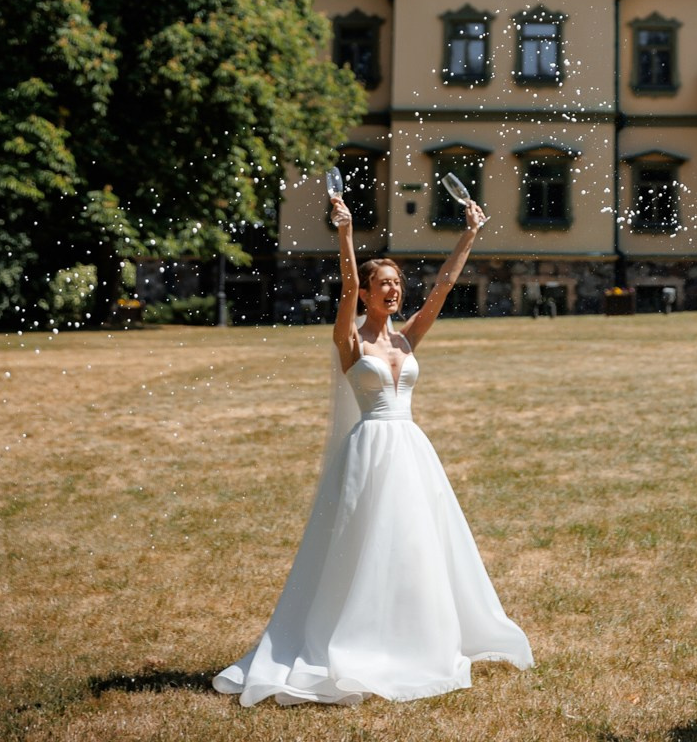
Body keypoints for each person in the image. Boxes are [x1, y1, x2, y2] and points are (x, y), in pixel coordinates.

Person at [214, 191, 533, 706]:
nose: (393, 289)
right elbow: (345, 285)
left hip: (411, 451)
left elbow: (443, 288)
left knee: (415, 542)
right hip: (368, 451)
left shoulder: (407, 339)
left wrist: (470, 234)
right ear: (366, 294)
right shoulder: (351, 342)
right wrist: (345, 231)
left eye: (397, 282)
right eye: (383, 283)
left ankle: (418, 633)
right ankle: (355, 634)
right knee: (363, 545)